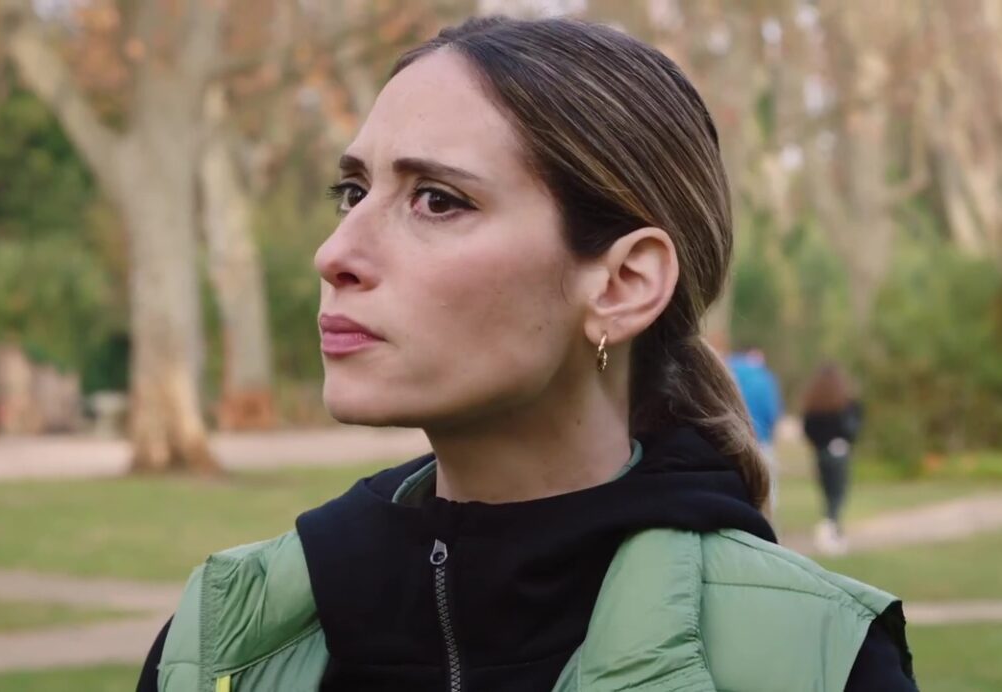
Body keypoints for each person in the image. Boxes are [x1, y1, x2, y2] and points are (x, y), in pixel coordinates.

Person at [138, 16, 916, 692]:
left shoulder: (818, 660)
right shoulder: (221, 640)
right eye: (353, 193)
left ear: (622, 284)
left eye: (436, 200)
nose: (334, 252)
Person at [802, 362, 864, 555]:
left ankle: (833, 529)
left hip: (821, 453)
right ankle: (831, 529)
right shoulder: (845, 404)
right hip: (838, 453)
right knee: (838, 495)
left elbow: (808, 429)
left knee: (828, 493)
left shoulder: (814, 405)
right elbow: (854, 428)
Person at [726, 346, 783, 510]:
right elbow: (771, 411)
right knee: (766, 486)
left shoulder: (726, 372)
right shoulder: (764, 379)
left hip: (731, 440)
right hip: (760, 438)